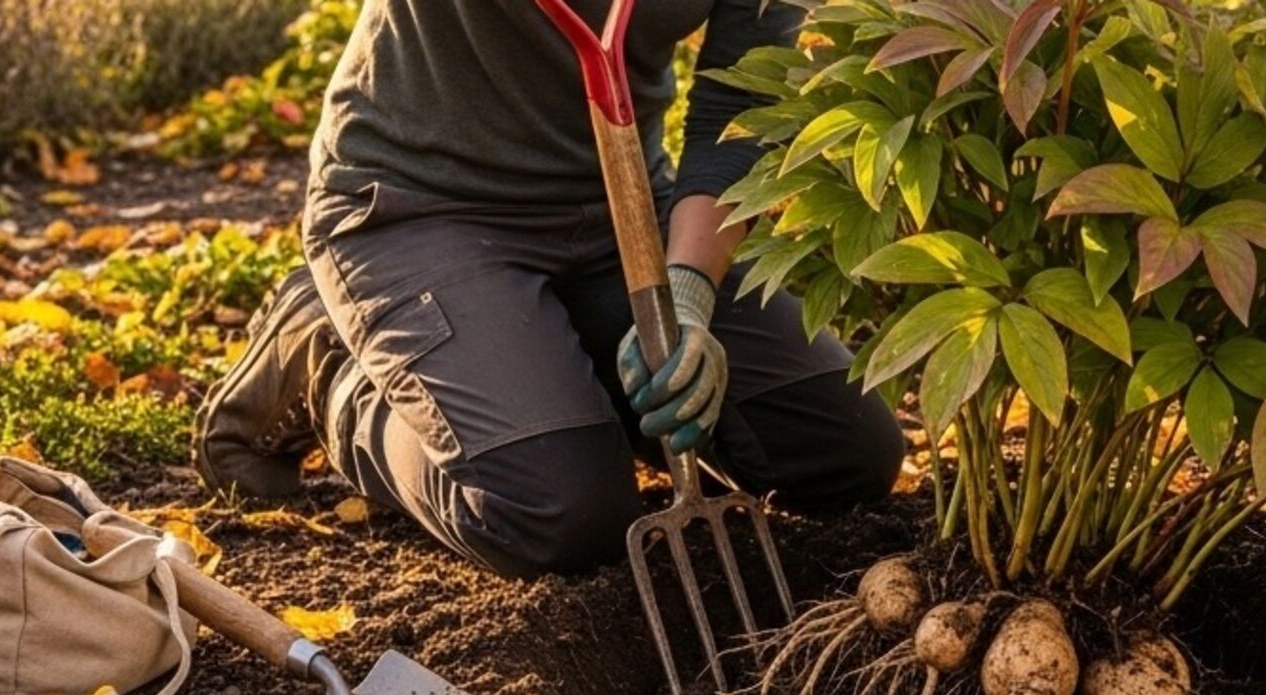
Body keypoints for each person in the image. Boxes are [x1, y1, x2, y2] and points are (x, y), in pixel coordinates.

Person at [193, 0, 906, 578]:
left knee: (846, 453)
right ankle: (333, 368)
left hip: (619, 209)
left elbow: (736, 115)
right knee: (557, 513)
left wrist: (686, 292)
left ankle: (540, 366)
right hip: (419, 204)